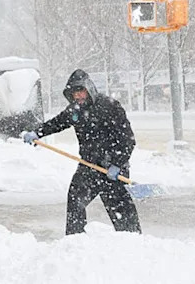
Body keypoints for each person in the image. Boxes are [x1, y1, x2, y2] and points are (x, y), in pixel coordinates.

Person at [21, 69, 141, 235]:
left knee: (120, 211)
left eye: (80, 91)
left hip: (111, 169)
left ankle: (135, 242)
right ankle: (75, 241)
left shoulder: (110, 107)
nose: (77, 96)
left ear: (89, 88)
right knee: (75, 200)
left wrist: (117, 164)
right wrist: (37, 132)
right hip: (88, 167)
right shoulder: (75, 110)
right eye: (74, 93)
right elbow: (57, 123)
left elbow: (127, 139)